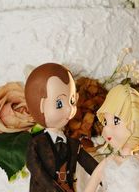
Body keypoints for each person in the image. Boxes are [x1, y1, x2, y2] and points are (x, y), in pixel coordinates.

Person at [25, 63, 98, 192]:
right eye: (59, 103)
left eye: (72, 101)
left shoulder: (73, 144)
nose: (69, 109)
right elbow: (39, 174)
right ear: (42, 106)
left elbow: (93, 167)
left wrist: (110, 178)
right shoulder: (36, 144)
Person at [82, 84, 139, 192]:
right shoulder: (108, 162)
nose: (106, 129)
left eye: (116, 121)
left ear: (133, 124)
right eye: (105, 122)